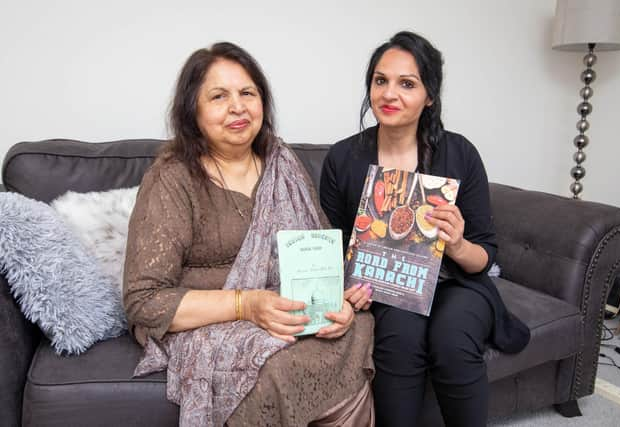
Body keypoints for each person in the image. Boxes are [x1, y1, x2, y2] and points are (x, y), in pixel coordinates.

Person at [123, 42, 374, 427]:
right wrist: (246, 305)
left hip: (289, 311)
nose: (237, 107)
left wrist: (338, 300)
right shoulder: (172, 178)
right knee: (277, 363)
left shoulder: (283, 162)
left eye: (247, 93)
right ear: (193, 110)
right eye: (219, 96)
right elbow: (145, 301)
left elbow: (321, 254)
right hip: (210, 322)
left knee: (350, 331)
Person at [320, 31, 530, 427]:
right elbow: (332, 243)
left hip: (457, 283)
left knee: (451, 340)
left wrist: (457, 243)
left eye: (407, 83)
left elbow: (484, 257)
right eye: (380, 80)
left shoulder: (460, 153)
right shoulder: (343, 158)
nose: (389, 93)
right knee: (399, 338)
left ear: (430, 96)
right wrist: (347, 285)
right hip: (388, 288)